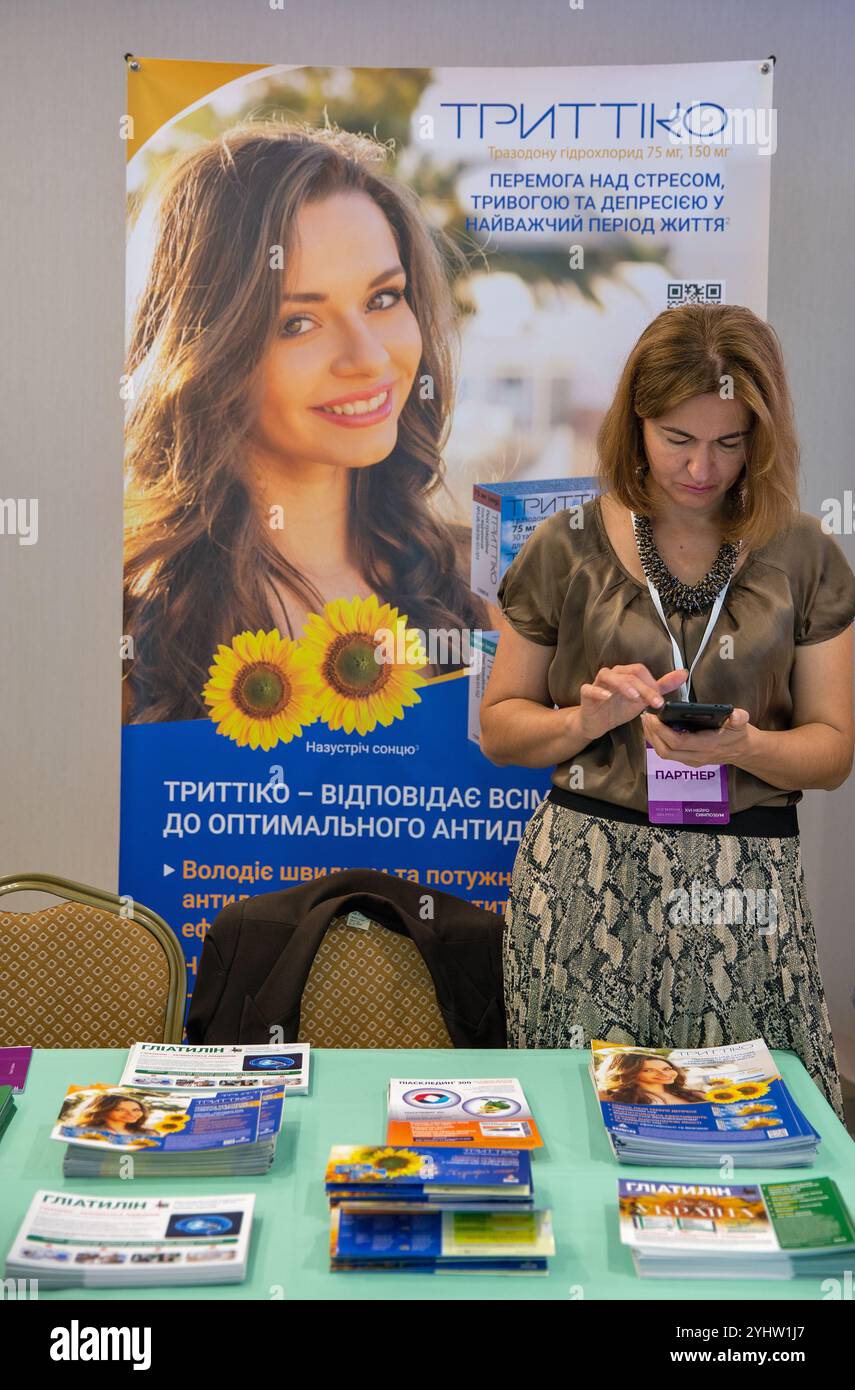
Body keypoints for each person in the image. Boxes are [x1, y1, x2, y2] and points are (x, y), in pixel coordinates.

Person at [479, 303, 855, 1121]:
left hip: (743, 886)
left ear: (762, 435)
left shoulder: (804, 553)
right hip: (583, 882)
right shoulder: (564, 544)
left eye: (728, 442)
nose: (700, 469)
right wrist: (579, 723)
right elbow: (499, 727)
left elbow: (830, 753)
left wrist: (744, 747)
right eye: (677, 439)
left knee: (758, 1139)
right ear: (634, 425)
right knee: (582, 1133)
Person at [123, 120, 491, 723]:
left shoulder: (490, 593)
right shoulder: (123, 620)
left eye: (382, 299)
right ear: (206, 354)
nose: (369, 357)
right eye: (297, 323)